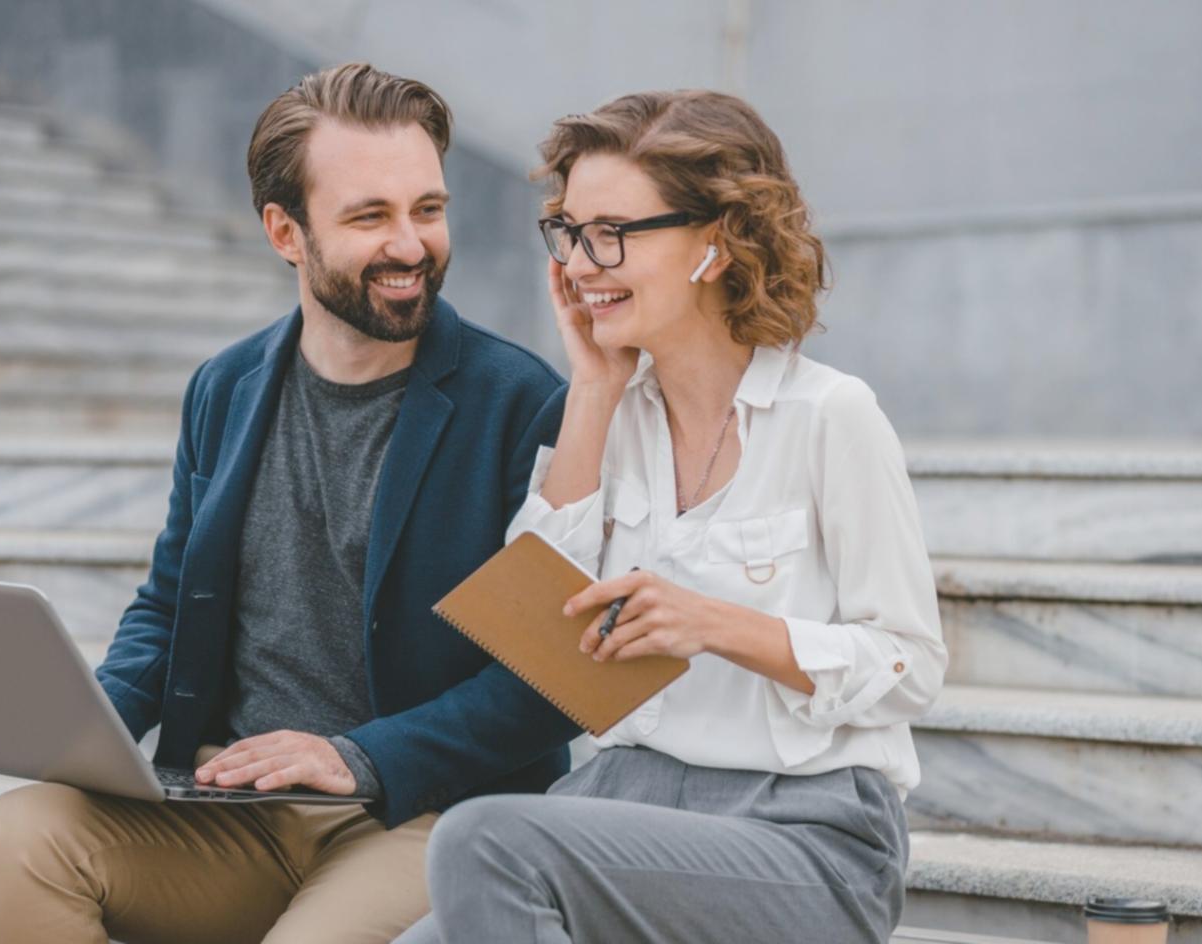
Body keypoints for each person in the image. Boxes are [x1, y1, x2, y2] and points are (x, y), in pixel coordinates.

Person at [0, 63, 579, 944]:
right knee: (17, 836)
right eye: (369, 217)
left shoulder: (521, 402)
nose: (411, 245)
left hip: (423, 816)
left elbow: (550, 679)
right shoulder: (224, 387)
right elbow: (170, 605)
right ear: (285, 231)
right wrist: (81, 733)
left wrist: (358, 756)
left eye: (427, 209)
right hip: (231, 813)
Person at [398, 89, 948, 944]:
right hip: (627, 805)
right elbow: (539, 627)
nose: (582, 264)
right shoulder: (608, 411)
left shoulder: (829, 417)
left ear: (716, 241)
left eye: (612, 232)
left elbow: (911, 666)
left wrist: (716, 625)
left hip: (805, 838)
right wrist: (591, 389)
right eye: (570, 233)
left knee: (483, 839)